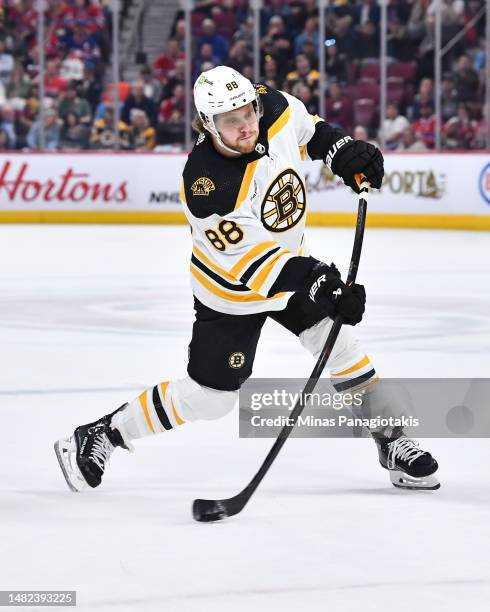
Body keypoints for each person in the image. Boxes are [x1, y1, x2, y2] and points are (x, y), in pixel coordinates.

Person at [55, 66, 439, 494]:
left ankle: (390, 440)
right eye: (231, 119)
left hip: (291, 267)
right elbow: (255, 267)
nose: (246, 124)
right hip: (230, 292)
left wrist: (342, 151)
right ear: (206, 124)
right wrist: (319, 281)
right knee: (212, 397)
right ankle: (104, 433)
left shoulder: (271, 109)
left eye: (247, 111)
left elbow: (309, 131)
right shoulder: (207, 187)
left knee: (336, 341)